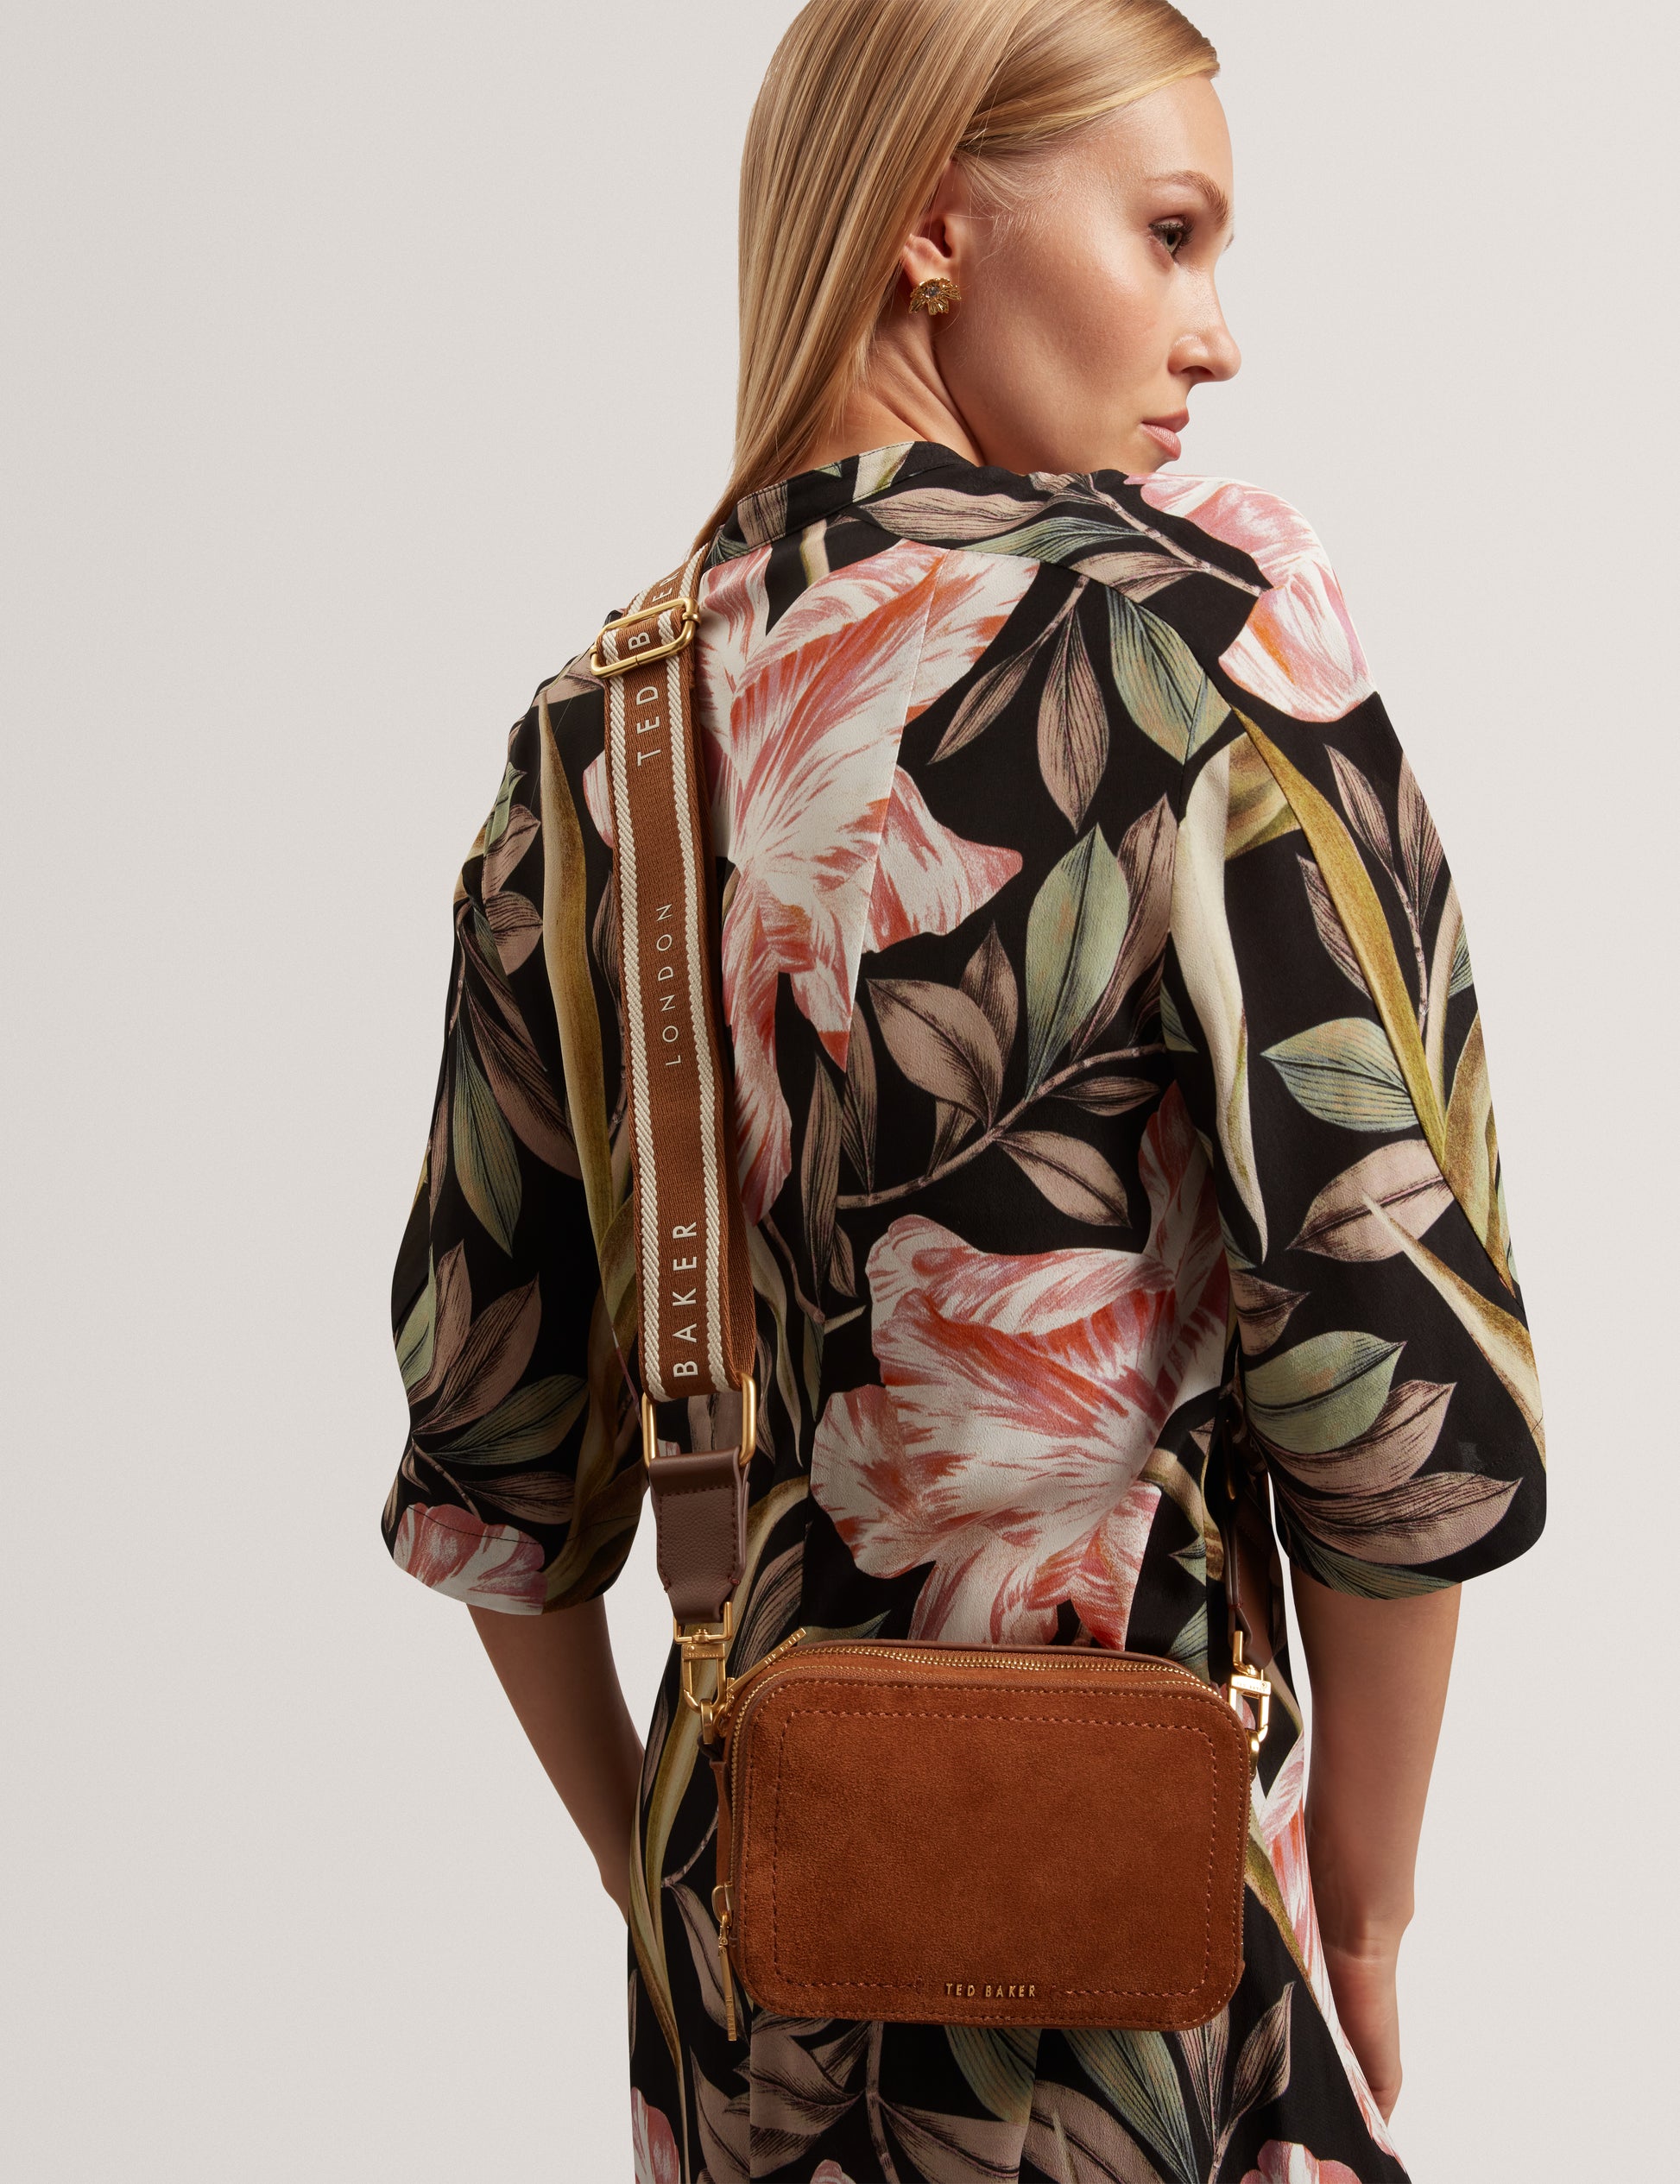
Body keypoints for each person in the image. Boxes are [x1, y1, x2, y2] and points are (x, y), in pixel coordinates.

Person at [381, 3, 1545, 2177]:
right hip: (1165, 1956)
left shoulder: (596, 739)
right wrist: (1370, 1903)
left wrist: (676, 1877)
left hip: (755, 1991)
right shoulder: (1201, 638)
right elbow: (1391, 1366)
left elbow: (494, 1467)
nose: (1216, 336)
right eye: (1172, 232)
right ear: (931, 226)